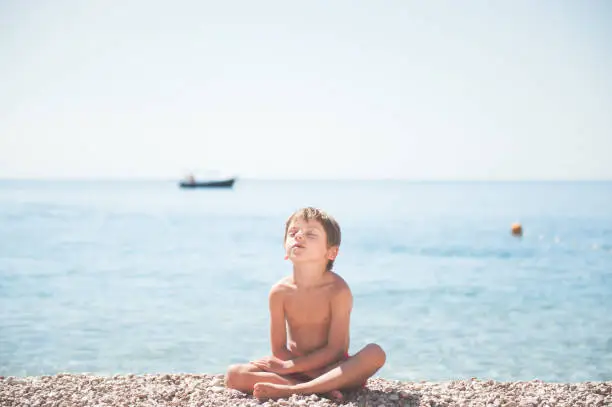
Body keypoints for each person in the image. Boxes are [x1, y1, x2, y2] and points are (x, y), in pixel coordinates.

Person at [224, 207, 386, 400]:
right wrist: (291, 366)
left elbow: (337, 349)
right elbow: (278, 349)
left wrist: (289, 367)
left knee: (375, 353)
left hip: (332, 368)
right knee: (233, 375)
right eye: (293, 233)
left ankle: (293, 389)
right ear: (285, 248)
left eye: (310, 234)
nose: (299, 236)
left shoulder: (338, 290)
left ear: (331, 252)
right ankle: (317, 387)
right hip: (294, 365)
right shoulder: (279, 292)